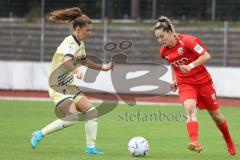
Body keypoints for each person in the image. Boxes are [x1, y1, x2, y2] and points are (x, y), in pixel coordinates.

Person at [30, 7, 114, 155]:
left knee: (92, 112)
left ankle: (90, 148)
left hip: (69, 87)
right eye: (87, 30)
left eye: (90, 30)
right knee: (73, 118)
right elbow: (67, 60)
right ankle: (40, 133)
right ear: (77, 29)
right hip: (57, 86)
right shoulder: (69, 42)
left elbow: (85, 61)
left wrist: (104, 68)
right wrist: (76, 70)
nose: (90, 33)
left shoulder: (80, 44)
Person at [154, 16, 236, 156]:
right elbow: (174, 64)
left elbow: (206, 56)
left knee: (217, 117)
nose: (160, 40)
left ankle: (228, 140)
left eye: (162, 36)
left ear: (169, 32)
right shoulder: (164, 51)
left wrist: (190, 65)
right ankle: (194, 141)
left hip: (203, 82)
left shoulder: (188, 41)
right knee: (190, 109)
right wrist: (174, 79)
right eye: (157, 38)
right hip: (185, 83)